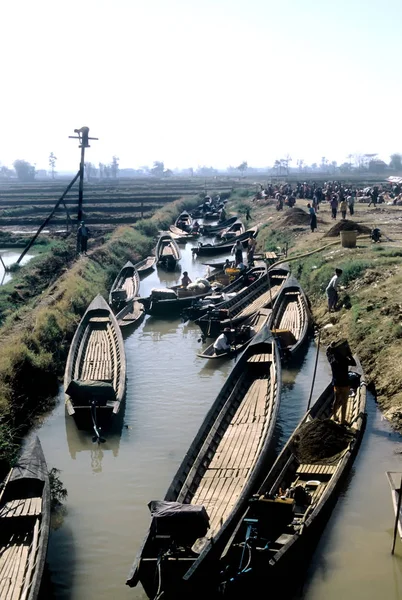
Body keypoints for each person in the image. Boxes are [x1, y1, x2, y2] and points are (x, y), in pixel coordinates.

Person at [326, 340, 356, 425]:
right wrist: (349, 354)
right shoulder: (344, 359)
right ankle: (343, 421)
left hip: (336, 383)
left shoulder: (331, 359)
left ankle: (335, 416)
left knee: (336, 400)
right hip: (344, 384)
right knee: (344, 403)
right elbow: (354, 363)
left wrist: (330, 346)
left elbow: (327, 352)